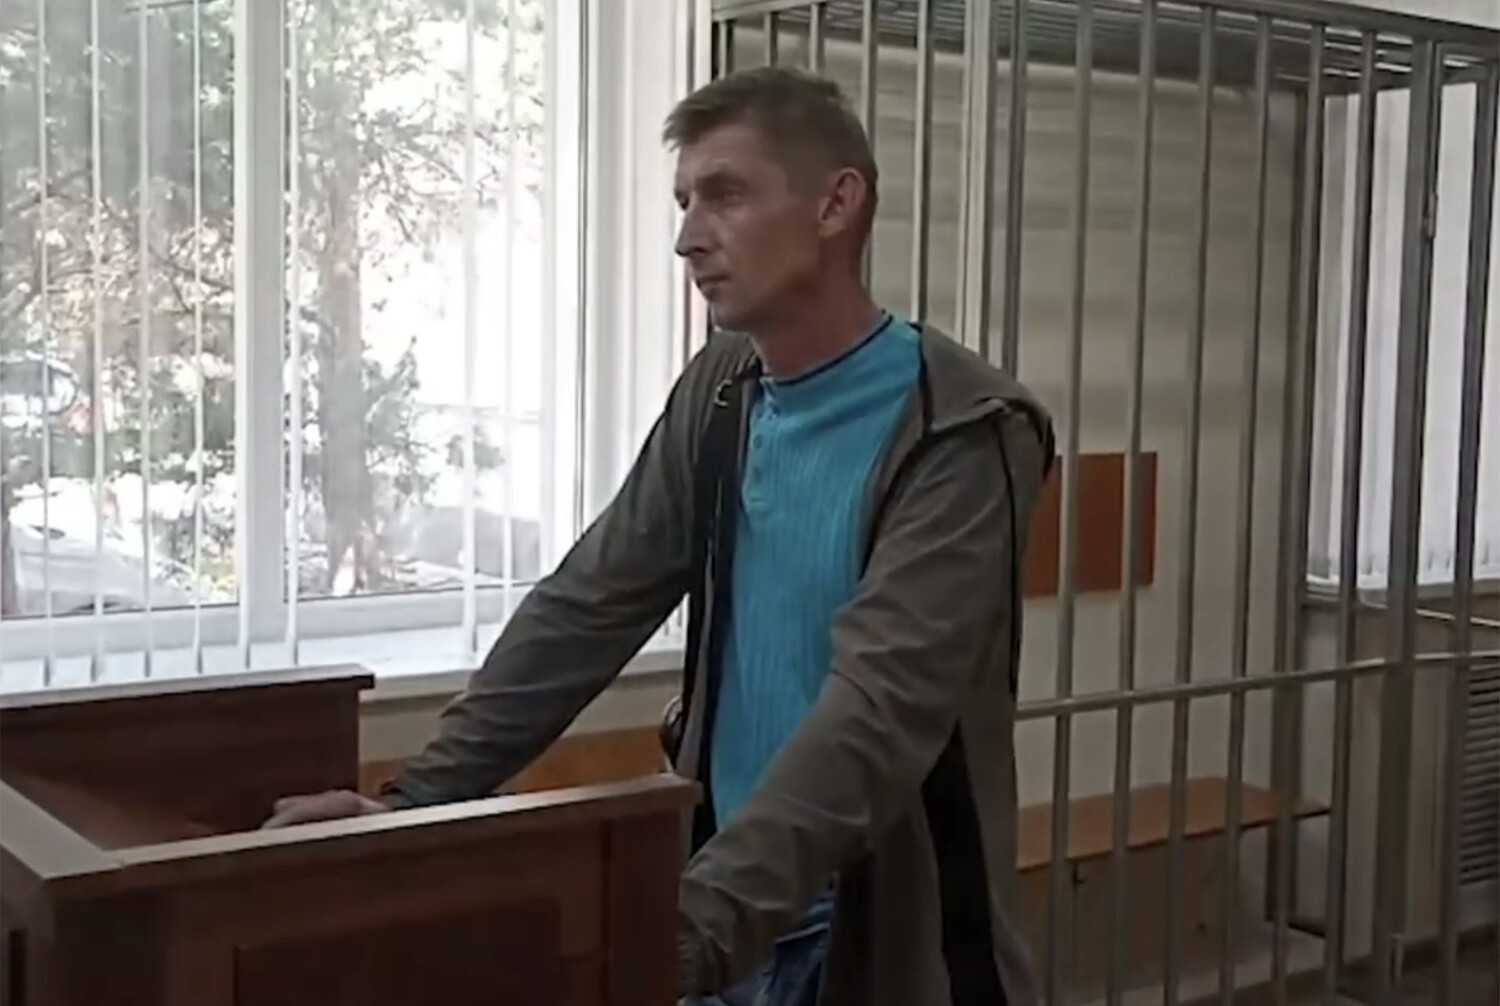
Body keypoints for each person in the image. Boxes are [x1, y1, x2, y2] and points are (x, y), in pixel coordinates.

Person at [263, 66, 1055, 1006]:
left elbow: (878, 714)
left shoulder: (964, 430)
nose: (688, 237)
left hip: (867, 924)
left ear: (836, 204)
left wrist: (681, 935)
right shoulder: (722, 390)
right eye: (684, 202)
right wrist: (410, 803)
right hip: (721, 895)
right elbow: (591, 603)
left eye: (726, 194)